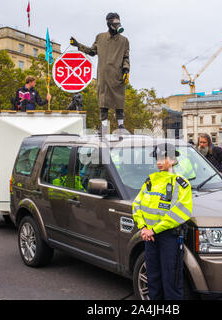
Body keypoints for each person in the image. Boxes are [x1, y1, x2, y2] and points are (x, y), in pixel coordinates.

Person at [132, 143, 192, 300]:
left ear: (172, 160)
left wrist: (153, 230)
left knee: (171, 281)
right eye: (157, 158)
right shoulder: (150, 181)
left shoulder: (181, 183)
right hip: (150, 237)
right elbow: (137, 205)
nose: (159, 161)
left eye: (163, 158)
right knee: (153, 280)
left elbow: (181, 212)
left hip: (169, 238)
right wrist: (143, 227)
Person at [70, 12, 130, 131]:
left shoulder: (124, 40)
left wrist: (126, 70)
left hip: (118, 74)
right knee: (103, 100)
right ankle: (104, 126)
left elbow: (126, 57)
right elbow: (92, 52)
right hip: (103, 75)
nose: (117, 23)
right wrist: (78, 45)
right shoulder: (100, 37)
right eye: (114, 21)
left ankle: (121, 125)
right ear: (108, 22)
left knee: (119, 100)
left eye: (118, 20)